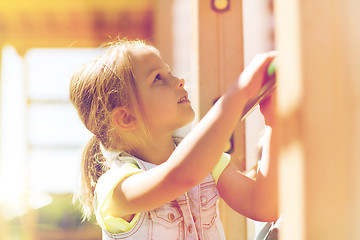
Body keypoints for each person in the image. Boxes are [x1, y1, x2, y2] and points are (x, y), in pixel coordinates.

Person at [69, 39, 278, 239]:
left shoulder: (207, 162)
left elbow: (263, 205)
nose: (179, 81)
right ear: (126, 117)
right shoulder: (116, 189)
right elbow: (180, 177)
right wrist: (239, 93)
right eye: (157, 78)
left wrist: (273, 122)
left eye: (169, 72)